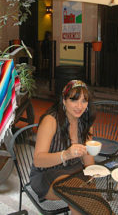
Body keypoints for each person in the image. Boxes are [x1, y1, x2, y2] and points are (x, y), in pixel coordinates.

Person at [30, 79, 96, 215]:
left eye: (84, 101)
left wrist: (92, 177)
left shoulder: (85, 123)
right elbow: (38, 160)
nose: (79, 106)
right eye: (74, 100)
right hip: (47, 174)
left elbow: (88, 161)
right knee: (78, 195)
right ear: (64, 101)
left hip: (75, 171)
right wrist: (66, 154)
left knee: (94, 200)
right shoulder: (51, 121)